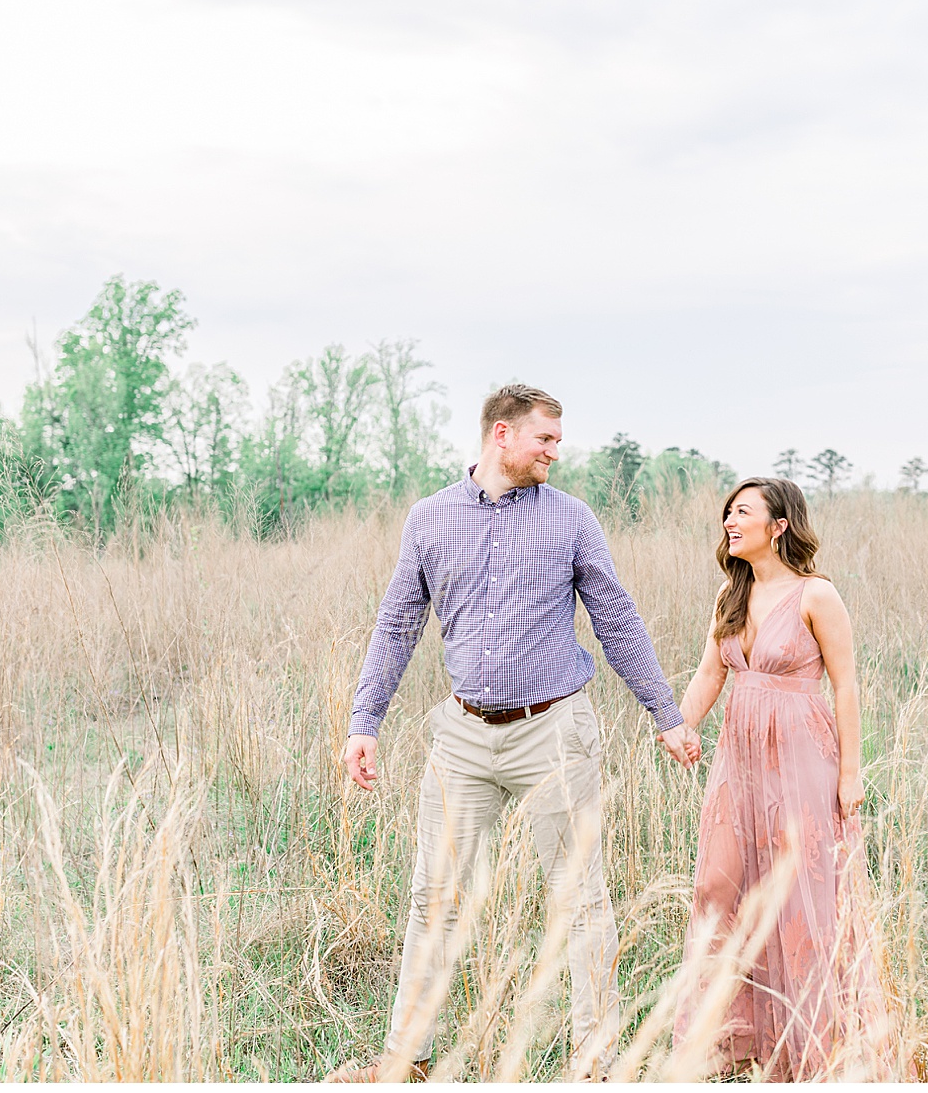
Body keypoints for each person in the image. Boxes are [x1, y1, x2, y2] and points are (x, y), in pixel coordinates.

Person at [329, 384, 699, 1083]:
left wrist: (666, 712)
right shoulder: (430, 519)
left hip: (555, 729)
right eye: (545, 440)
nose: (555, 452)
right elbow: (398, 622)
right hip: (463, 736)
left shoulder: (572, 519)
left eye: (557, 441)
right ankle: (407, 1058)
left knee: (581, 895)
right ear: (502, 435)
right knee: (433, 895)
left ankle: (596, 1060)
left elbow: (616, 618)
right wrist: (364, 721)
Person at [670, 477, 892, 1080]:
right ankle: (725, 1038)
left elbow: (845, 684)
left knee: (803, 898)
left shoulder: (816, 595)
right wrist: (680, 725)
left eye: (743, 512)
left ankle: (818, 1042)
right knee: (719, 888)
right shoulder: (730, 595)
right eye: (727, 513)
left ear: (779, 525)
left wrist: (850, 773)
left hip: (802, 755)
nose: (729, 522)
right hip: (738, 761)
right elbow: (709, 673)